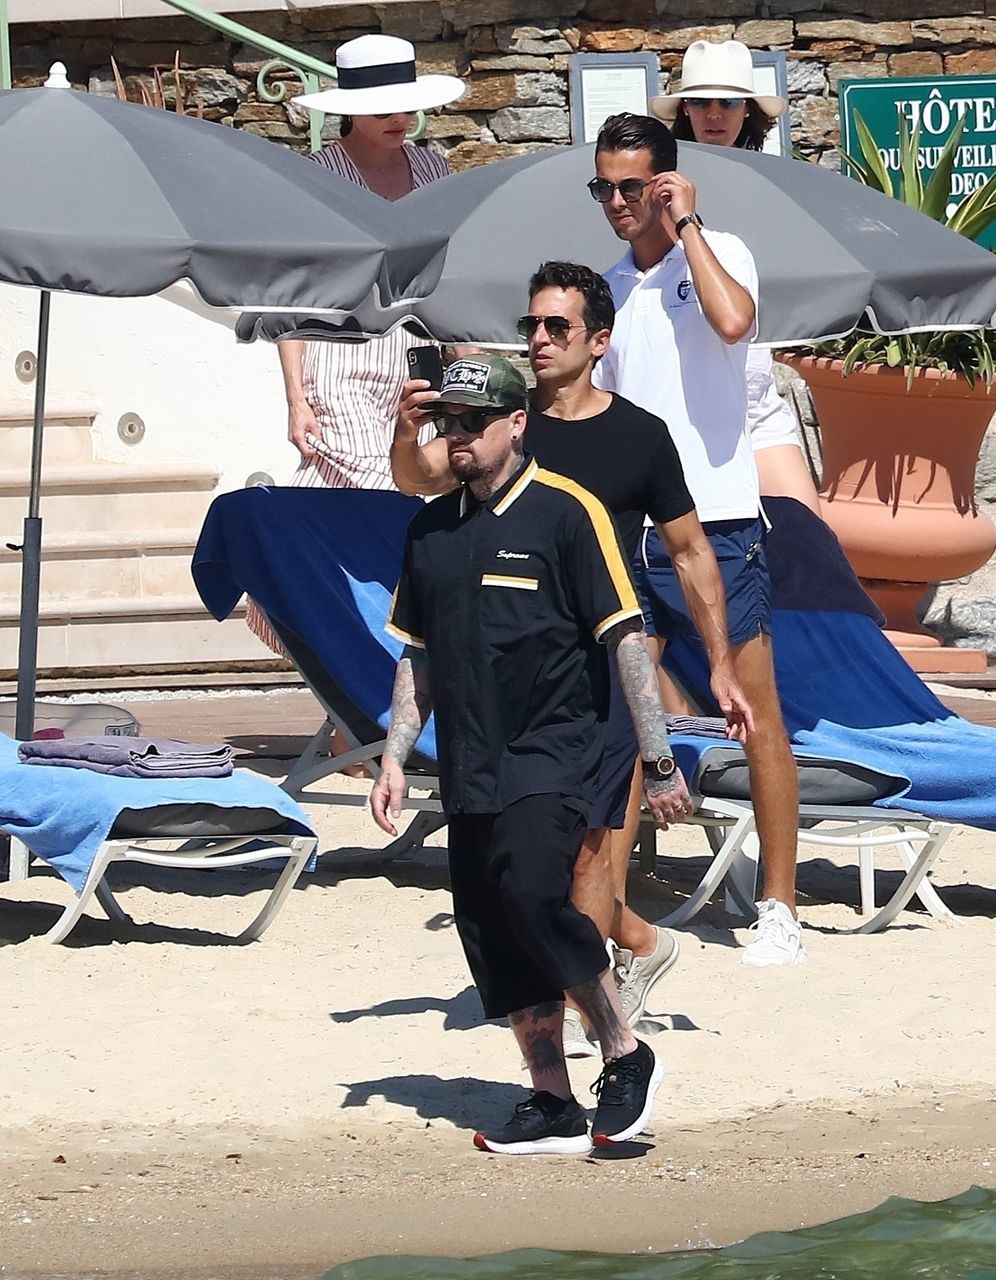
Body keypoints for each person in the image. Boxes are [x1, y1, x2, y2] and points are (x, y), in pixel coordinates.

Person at [392, 263, 751, 1054]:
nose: (539, 340)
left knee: (590, 854)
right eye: (531, 325)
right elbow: (417, 479)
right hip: (506, 685)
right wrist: (407, 425)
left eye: (558, 326)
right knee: (535, 868)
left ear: (599, 341)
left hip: (601, 675)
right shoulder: (500, 420)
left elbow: (690, 552)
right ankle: (641, 947)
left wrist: (720, 665)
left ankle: (595, 1019)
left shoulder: (638, 436)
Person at [373, 355, 690, 1155]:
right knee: (492, 924)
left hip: (556, 749)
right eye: (447, 422)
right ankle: (552, 1100)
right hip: (469, 759)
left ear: (516, 424)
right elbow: (418, 655)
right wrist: (394, 756)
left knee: (534, 896)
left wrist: (659, 760)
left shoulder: (567, 512)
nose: (458, 436)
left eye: (474, 422)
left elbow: (627, 639)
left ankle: (625, 1050)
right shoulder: (430, 531)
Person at [591, 111, 806, 967]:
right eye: (603, 187)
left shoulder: (718, 253)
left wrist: (687, 226)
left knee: (754, 713)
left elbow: (734, 322)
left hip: (717, 524)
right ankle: (605, 917)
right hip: (632, 532)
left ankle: (781, 908)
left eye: (630, 186)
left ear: (666, 183)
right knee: (623, 725)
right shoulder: (608, 287)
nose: (616, 201)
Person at [280, 34, 463, 491]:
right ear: (351, 111)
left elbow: (449, 274)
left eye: (407, 107)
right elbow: (293, 288)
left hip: (417, 358)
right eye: (383, 111)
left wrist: (467, 358)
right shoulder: (317, 176)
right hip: (339, 356)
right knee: (375, 487)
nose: (399, 119)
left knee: (406, 487)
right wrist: (295, 398)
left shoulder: (434, 171)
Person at [649, 40, 821, 513]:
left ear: (748, 111)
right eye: (700, 101)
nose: (714, 114)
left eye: (728, 102)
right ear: (684, 110)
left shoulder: (776, 187)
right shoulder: (658, 189)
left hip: (756, 397)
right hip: (685, 400)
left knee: (810, 537)